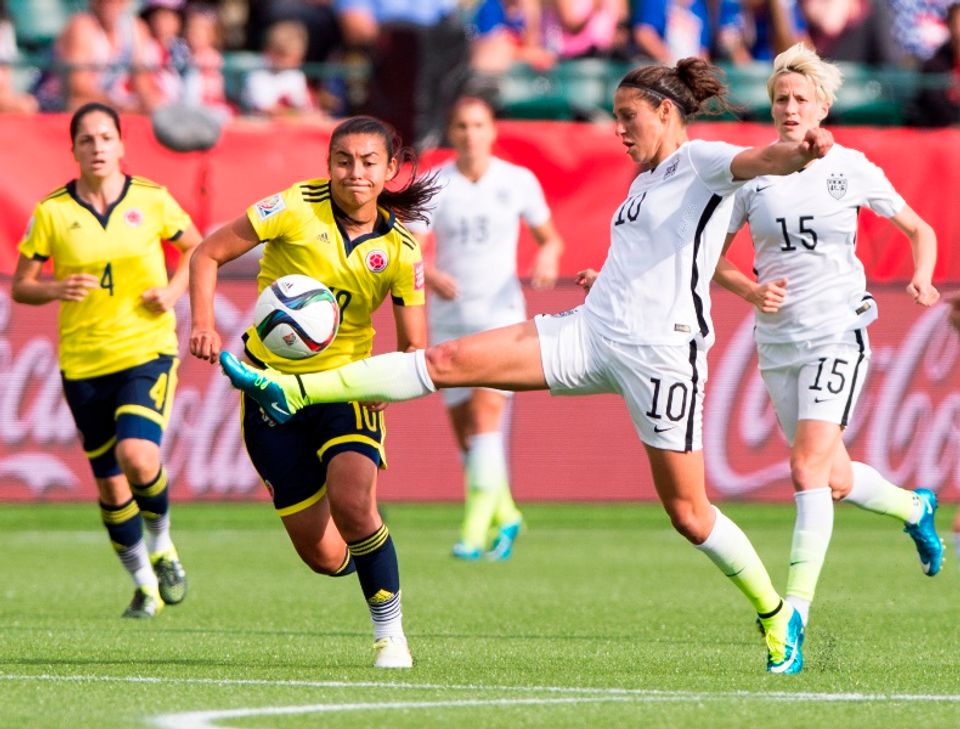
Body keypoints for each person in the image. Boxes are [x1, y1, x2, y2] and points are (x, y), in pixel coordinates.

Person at [218, 57, 839, 675]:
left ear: (666, 113)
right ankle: (290, 387)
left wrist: (804, 151)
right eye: (616, 117)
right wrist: (611, 283)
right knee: (447, 358)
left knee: (689, 513)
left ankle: (775, 611)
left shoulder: (702, 160)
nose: (619, 130)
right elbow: (660, 257)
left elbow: (763, 160)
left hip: (663, 356)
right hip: (592, 332)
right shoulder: (644, 181)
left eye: (628, 118)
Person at [189, 116, 439, 669]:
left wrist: (389, 382)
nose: (355, 173)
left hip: (344, 388)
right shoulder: (293, 208)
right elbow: (207, 252)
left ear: (390, 170)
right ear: (328, 165)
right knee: (325, 556)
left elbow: (414, 343)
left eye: (369, 162)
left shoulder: (400, 249)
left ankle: (390, 634)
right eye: (343, 161)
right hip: (269, 390)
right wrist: (203, 322)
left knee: (354, 506)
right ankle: (369, 565)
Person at [713, 43, 944, 631]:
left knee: (806, 470)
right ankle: (915, 507)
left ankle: (793, 614)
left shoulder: (853, 169)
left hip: (837, 333)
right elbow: (712, 255)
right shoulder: (755, 175)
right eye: (779, 100)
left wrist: (920, 276)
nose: (789, 108)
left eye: (799, 99)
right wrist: (749, 292)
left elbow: (920, 229)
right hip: (778, 343)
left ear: (821, 106)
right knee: (833, 476)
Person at [12, 102, 198, 619]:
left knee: (139, 457)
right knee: (111, 485)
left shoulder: (152, 199)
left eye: (105, 138)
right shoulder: (53, 212)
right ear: (72, 149)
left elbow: (196, 248)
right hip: (83, 362)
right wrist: (52, 288)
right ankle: (144, 586)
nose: (97, 148)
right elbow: (23, 285)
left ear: (121, 144)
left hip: (146, 349)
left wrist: (174, 289)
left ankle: (162, 544)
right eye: (87, 140)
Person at [407, 96, 564, 561]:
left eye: (478, 124)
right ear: (451, 133)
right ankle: (508, 513)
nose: (471, 133)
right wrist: (431, 274)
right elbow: (410, 247)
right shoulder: (436, 183)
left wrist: (547, 256)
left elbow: (550, 237)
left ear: (492, 130)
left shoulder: (517, 181)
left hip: (501, 319)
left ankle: (473, 532)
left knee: (484, 419)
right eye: (461, 125)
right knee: (466, 437)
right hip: (451, 320)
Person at [34, 0, 160, 112]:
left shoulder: (137, 28)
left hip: (104, 102)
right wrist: (119, 105)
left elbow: (142, 83)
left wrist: (146, 102)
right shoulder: (81, 26)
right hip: (55, 103)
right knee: (80, 106)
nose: (109, 2)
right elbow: (77, 88)